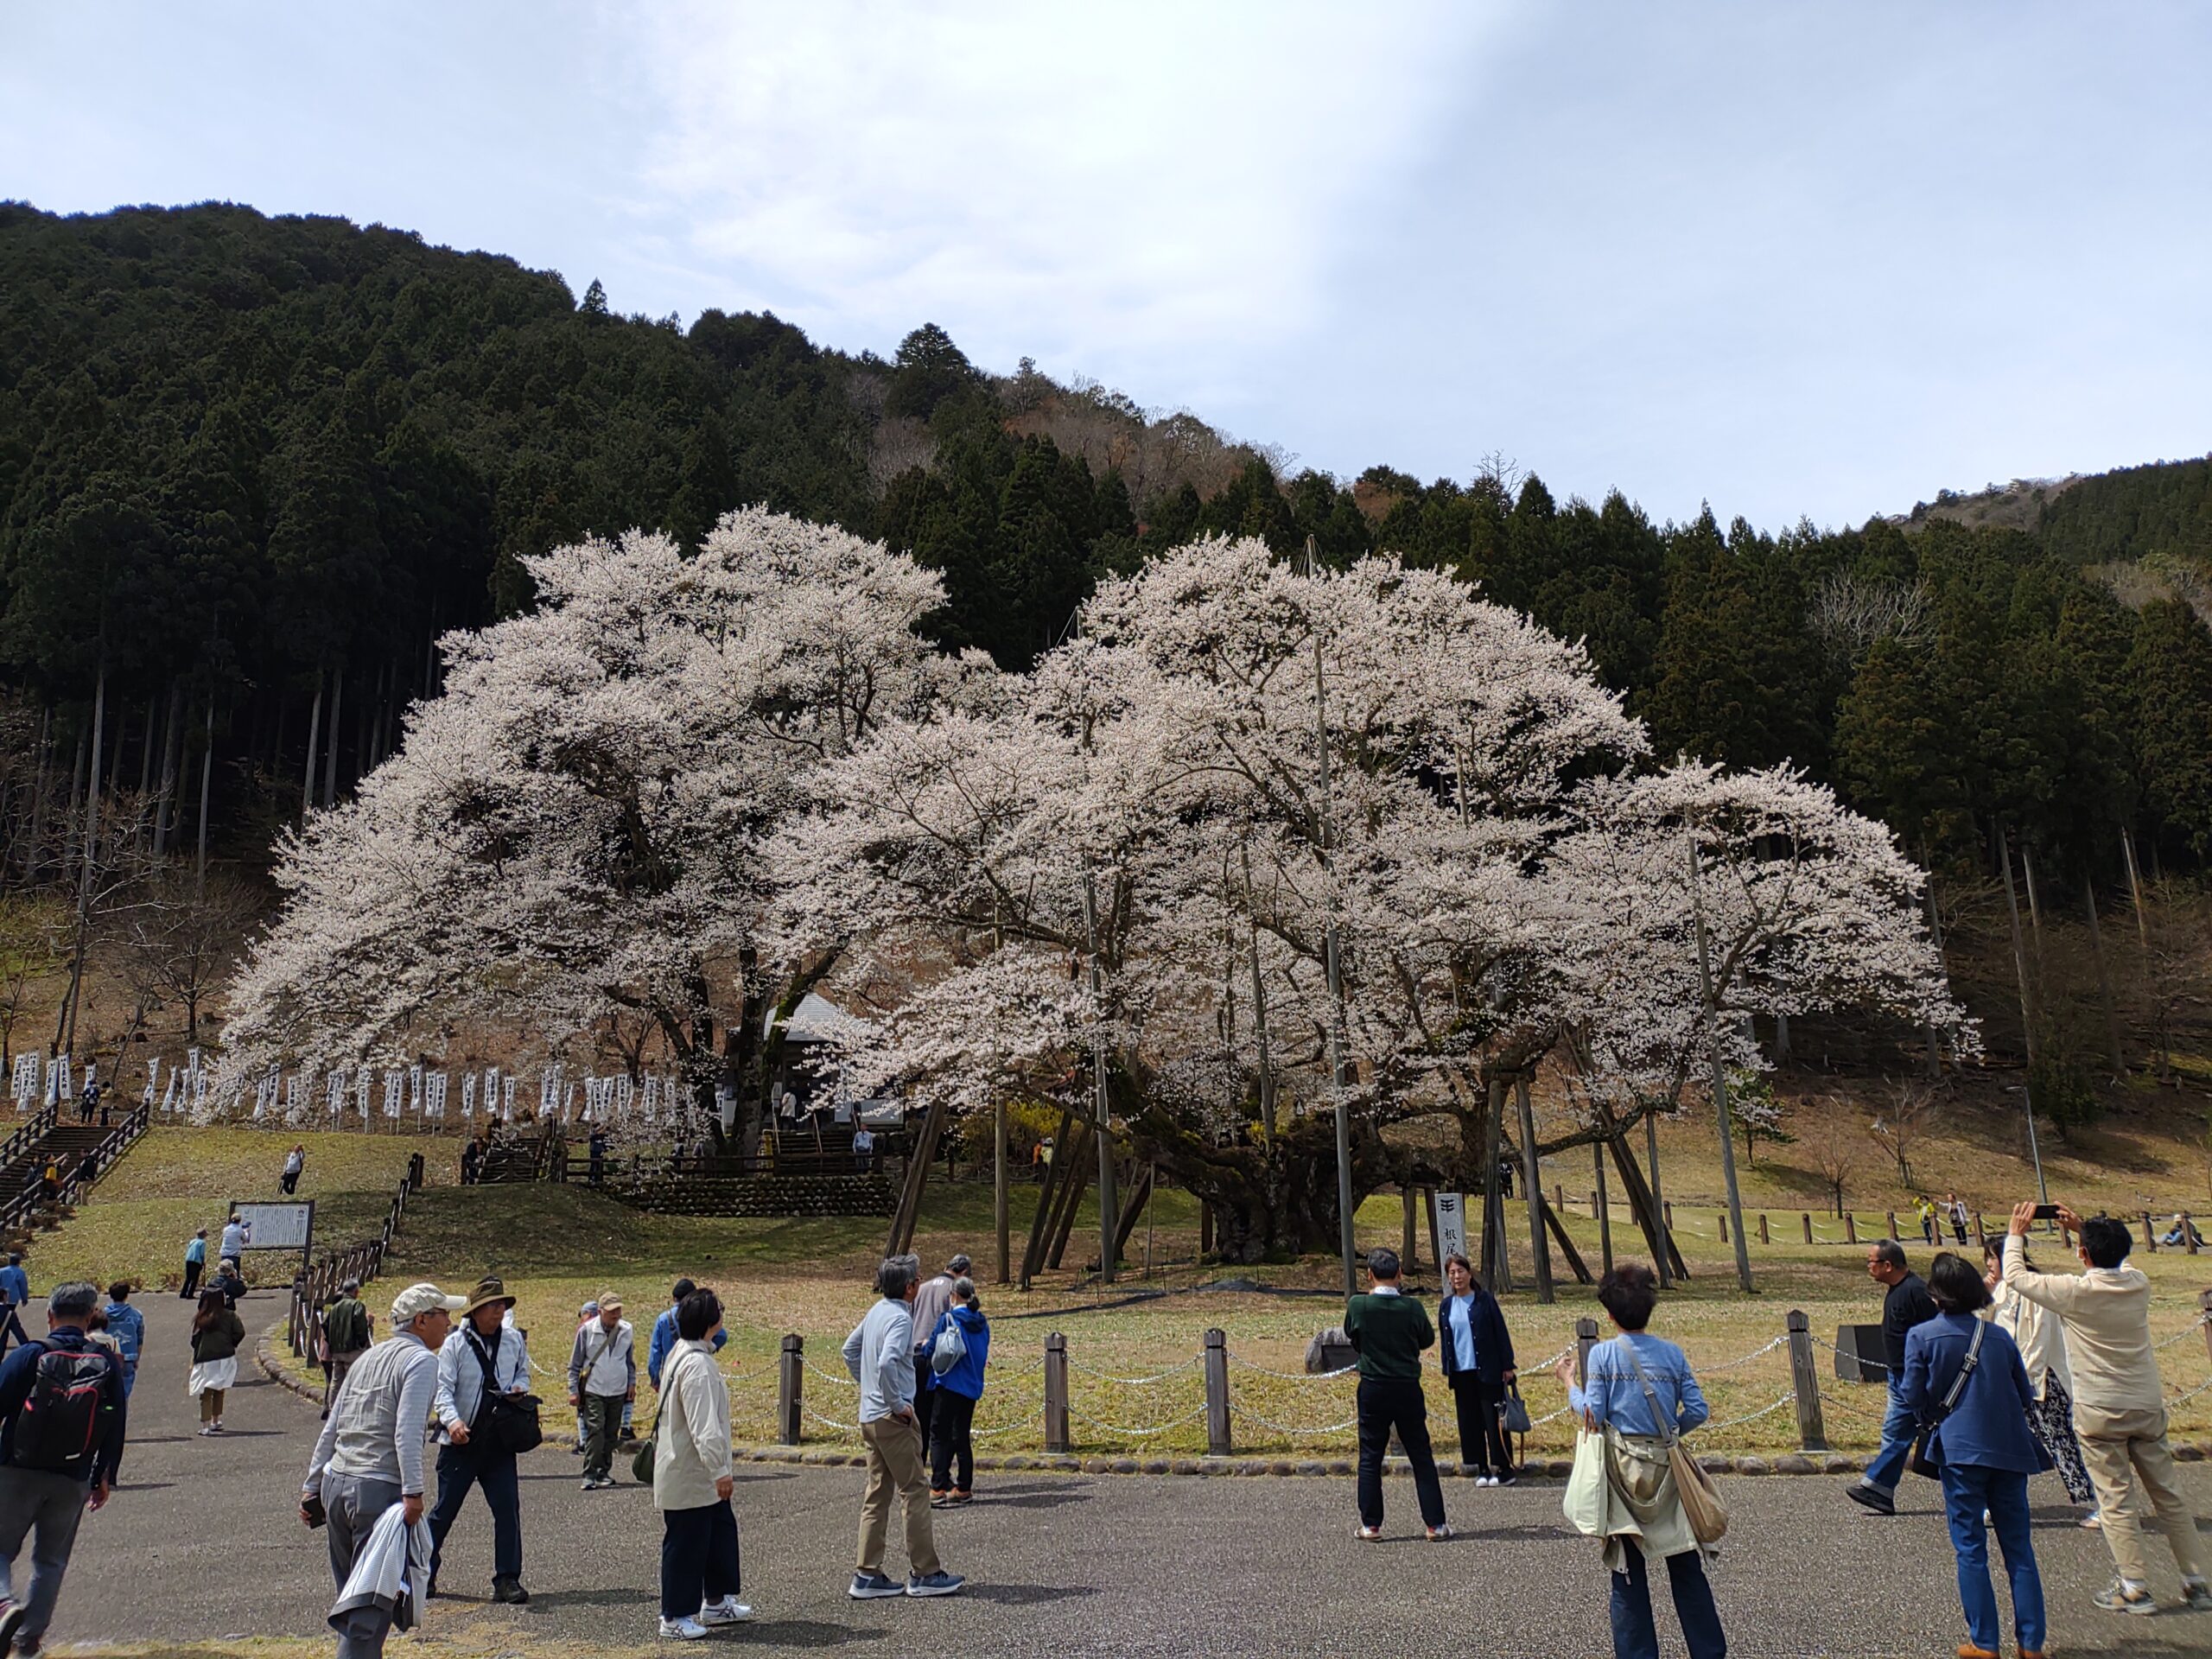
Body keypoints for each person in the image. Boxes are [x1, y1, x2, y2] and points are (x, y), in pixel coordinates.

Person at [2003, 1201, 2212, 1616]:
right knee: (2169, 1496)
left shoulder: (2075, 1292)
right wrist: (2085, 1228)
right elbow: (2120, 1260)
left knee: (2116, 1500)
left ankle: (2134, 1586)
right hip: (2147, 1404)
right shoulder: (2139, 1283)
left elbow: (2015, 1277)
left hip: (2100, 1409)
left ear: (2083, 1255)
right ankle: (2196, 1581)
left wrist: (2015, 1233)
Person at [1555, 1262, 1724, 1659]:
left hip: (1622, 1468)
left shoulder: (1603, 1355)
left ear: (1610, 1314)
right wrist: (1671, 1433)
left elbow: (1592, 1416)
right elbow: (1698, 1409)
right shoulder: (1672, 1353)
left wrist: (1568, 1384)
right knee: (1685, 1564)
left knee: (1627, 1571)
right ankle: (1709, 1651)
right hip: (1668, 1468)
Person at [302, 1282, 464, 1659]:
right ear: (422, 1321)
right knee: (368, 1610)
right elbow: (407, 1432)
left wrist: (312, 1487)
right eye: (443, 1315)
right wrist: (414, 1493)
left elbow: (333, 1426)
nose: (449, 1323)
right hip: (378, 1489)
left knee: (352, 1599)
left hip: (337, 1483)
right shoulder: (421, 1360)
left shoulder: (366, 1359)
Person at [1905, 1250, 2047, 1659]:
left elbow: (1913, 1394)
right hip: (2010, 1448)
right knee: (2019, 1549)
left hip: (1960, 1450)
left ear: (1936, 1296)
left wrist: (1932, 1413)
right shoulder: (1999, 1336)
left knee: (1970, 1547)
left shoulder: (1923, 1336)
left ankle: (1984, 1642)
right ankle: (2032, 1643)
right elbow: (2024, 1393)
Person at [0, 1281, 127, 1657]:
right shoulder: (104, 1362)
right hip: (73, 1476)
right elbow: (116, 1420)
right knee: (51, 1560)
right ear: (90, 1317)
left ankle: (4, 1606)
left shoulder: (30, 1355)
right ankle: (28, 1643)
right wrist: (104, 1474)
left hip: (16, 1470)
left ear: (49, 1315)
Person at [842, 1255, 962, 1599]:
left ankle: (867, 1573)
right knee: (914, 1490)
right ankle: (925, 1572)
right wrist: (897, 1405)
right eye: (917, 1278)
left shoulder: (876, 1311)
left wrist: (868, 1389)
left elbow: (849, 1350)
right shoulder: (900, 1318)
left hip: (870, 1416)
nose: (921, 1280)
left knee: (877, 1494)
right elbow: (887, 1362)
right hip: (893, 1419)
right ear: (909, 1287)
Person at [653, 1287, 750, 1639]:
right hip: (691, 1473)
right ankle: (675, 1616)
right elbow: (704, 1427)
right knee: (687, 1542)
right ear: (712, 1320)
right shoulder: (697, 1365)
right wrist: (720, 1471)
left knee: (717, 1535)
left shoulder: (684, 1352)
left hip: (692, 1471)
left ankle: (716, 1600)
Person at [428, 1277, 531, 1605]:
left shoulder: (513, 1340)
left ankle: (507, 1579)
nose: (500, 1311)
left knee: (507, 1511)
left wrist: (518, 1387)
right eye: (494, 1305)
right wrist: (453, 1422)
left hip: (498, 1441)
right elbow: (442, 1390)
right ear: (476, 1311)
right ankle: (421, 1572)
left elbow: (523, 1373)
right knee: (443, 1512)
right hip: (461, 1441)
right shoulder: (455, 1345)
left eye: (503, 1305)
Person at [1981, 1237, 2094, 1520]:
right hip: (2010, 1380)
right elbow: (1983, 1325)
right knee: (2005, 1443)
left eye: (1993, 1258)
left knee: (2062, 1441)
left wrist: (2024, 1376)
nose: (1989, 1264)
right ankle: (2000, 1503)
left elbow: (2039, 1338)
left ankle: (2098, 1501)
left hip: (2042, 1380)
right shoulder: (2001, 1290)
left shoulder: (2035, 1285)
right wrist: (1983, 1296)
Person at [1344, 1247, 1451, 1542]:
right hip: (1406, 1385)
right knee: (1420, 1453)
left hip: (1373, 1384)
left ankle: (1371, 1525)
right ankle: (1435, 1524)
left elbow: (1352, 1335)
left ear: (1369, 1275)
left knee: (1370, 1456)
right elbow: (1426, 1339)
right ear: (1399, 1274)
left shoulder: (1358, 1305)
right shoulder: (1413, 1307)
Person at [1845, 1239, 1939, 1516]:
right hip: (1899, 1375)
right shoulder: (1898, 1290)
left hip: (1914, 1377)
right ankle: (1881, 1490)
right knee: (1894, 1433)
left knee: (1904, 1435)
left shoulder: (1916, 1292)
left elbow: (1933, 1333)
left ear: (1888, 1265)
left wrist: (1923, 1374)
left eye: (1871, 1261)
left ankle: (1877, 1486)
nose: (1868, 1267)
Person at [1437, 1250, 1516, 1484]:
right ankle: (1481, 1467)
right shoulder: (1446, 1305)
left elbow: (1500, 1333)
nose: (1457, 1277)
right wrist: (1446, 1367)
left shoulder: (1485, 1300)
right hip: (1462, 1372)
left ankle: (1504, 1468)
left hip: (1488, 1369)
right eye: (1452, 1273)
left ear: (1469, 1274)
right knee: (1470, 1422)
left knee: (1493, 1420)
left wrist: (1507, 1364)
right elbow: (1445, 1339)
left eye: (1460, 1271)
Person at [924, 1276, 988, 1507]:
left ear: (953, 1295)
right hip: (971, 1386)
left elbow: (932, 1348)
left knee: (938, 1434)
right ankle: (964, 1487)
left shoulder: (948, 1318)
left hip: (949, 1382)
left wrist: (924, 1347)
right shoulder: (982, 1322)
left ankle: (938, 1486)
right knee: (961, 1435)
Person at [567, 1291, 634, 1491]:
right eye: (612, 1311)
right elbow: (575, 1364)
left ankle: (604, 1471)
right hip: (594, 1388)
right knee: (596, 1428)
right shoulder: (587, 1331)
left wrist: (632, 1383)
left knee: (611, 1433)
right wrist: (573, 1390)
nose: (616, 1315)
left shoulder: (626, 1330)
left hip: (618, 1388)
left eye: (619, 1310)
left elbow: (629, 1361)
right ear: (600, 1311)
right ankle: (589, 1472)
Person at [907, 1253, 965, 1456]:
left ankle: (918, 1468)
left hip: (915, 1357)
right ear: (963, 1273)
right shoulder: (954, 1291)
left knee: (920, 1416)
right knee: (941, 1420)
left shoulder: (922, 1288)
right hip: (940, 1358)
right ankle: (941, 1474)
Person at [647, 1279, 729, 1390]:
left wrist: (655, 1378)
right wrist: (708, 1347)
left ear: (674, 1298)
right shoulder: (699, 1316)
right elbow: (722, 1336)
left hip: (671, 1373)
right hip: (697, 1369)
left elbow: (655, 1351)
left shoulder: (663, 1319)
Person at [188, 1287, 245, 1435]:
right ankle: (215, 1421)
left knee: (205, 1393)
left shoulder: (201, 1317)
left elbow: (194, 1340)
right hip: (225, 1356)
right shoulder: (230, 1315)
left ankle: (205, 1426)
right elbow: (240, 1332)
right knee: (219, 1389)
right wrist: (231, 1343)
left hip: (205, 1358)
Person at [321, 1278, 375, 1421]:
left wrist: (332, 1341)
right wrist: (363, 1343)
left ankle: (333, 1410)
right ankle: (354, 1410)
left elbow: (325, 1325)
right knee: (356, 1380)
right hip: (353, 1350)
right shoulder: (357, 1305)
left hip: (337, 1351)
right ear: (356, 1291)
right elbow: (360, 1325)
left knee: (336, 1381)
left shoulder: (335, 1307)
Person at [99, 1283, 143, 1401]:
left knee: (105, 1394)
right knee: (123, 1396)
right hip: (128, 1358)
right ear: (126, 1296)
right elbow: (139, 1339)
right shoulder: (136, 1315)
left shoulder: (102, 1315)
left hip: (106, 1357)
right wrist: (137, 1358)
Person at [0, 1256, 29, 1357]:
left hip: (1, 1297)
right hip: (12, 1299)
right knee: (8, 1318)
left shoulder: (1, 1271)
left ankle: (3, 1336)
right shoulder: (19, 1272)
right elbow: (23, 1286)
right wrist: (24, 1298)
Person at [179, 1230, 207, 1301]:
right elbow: (201, 1253)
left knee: (188, 1278)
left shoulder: (192, 1241)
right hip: (196, 1260)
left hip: (188, 1259)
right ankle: (190, 1294)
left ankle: (183, 1293)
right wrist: (203, 1262)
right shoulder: (202, 1243)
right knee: (194, 1279)